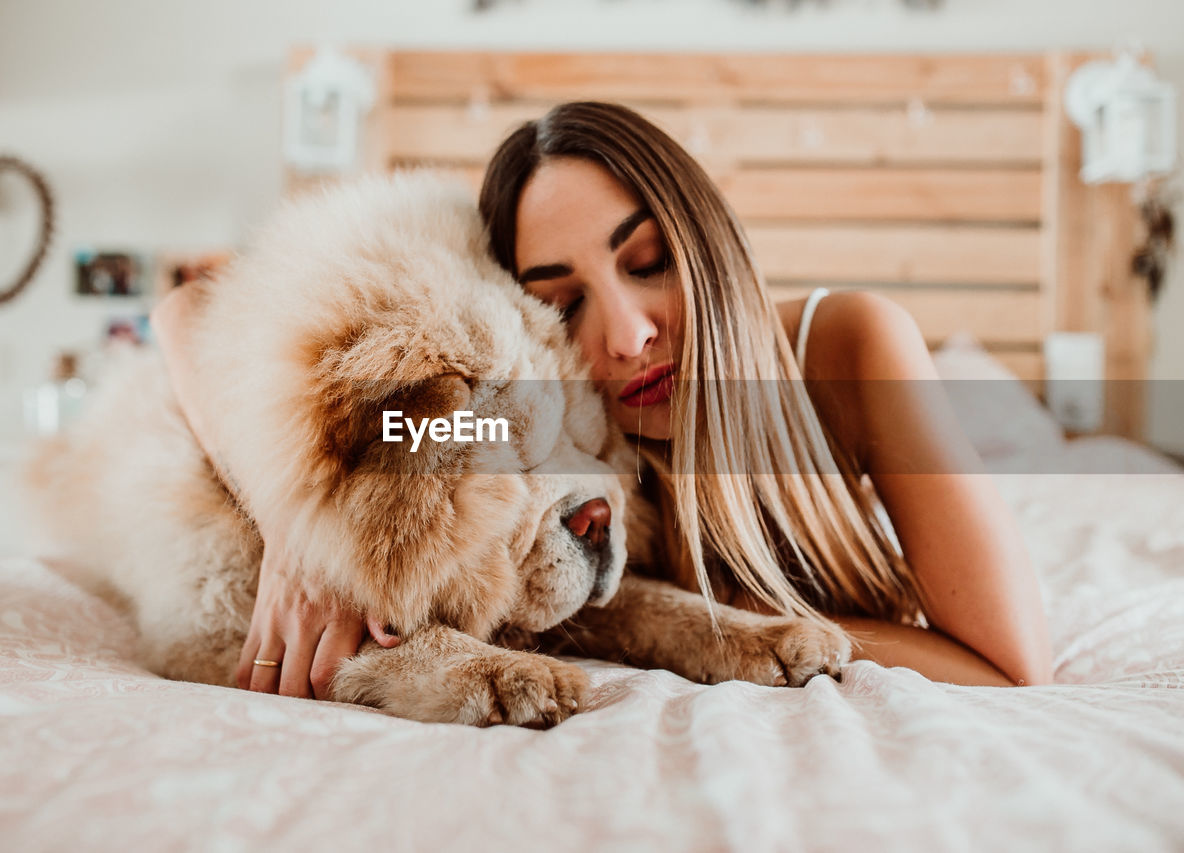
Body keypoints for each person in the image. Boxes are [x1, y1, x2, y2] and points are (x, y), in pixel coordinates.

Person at [151, 101, 1053, 698]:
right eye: (563, 301)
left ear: (708, 241)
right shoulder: (568, 439)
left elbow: (1010, 668)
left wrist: (737, 631)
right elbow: (186, 307)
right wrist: (295, 524)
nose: (624, 336)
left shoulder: (849, 342)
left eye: (649, 262)